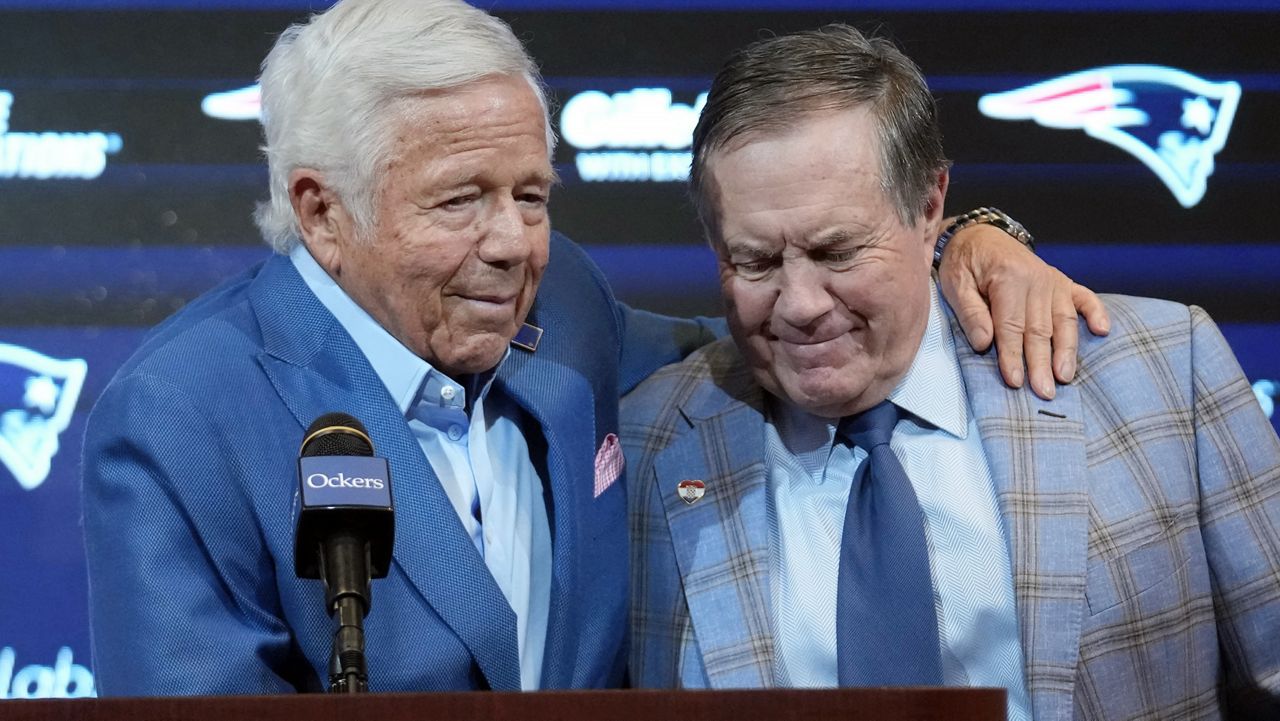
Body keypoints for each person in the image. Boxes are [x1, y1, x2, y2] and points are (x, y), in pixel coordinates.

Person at [82, 0, 1104, 696]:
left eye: (529, 194)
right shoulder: (180, 419)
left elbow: (793, 335)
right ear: (322, 212)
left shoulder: (563, 297)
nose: (511, 243)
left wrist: (970, 238)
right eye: (460, 200)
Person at [623, 24, 1280, 720]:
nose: (802, 304)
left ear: (931, 205)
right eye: (753, 261)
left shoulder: (1160, 369)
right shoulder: (649, 438)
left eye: (838, 250)